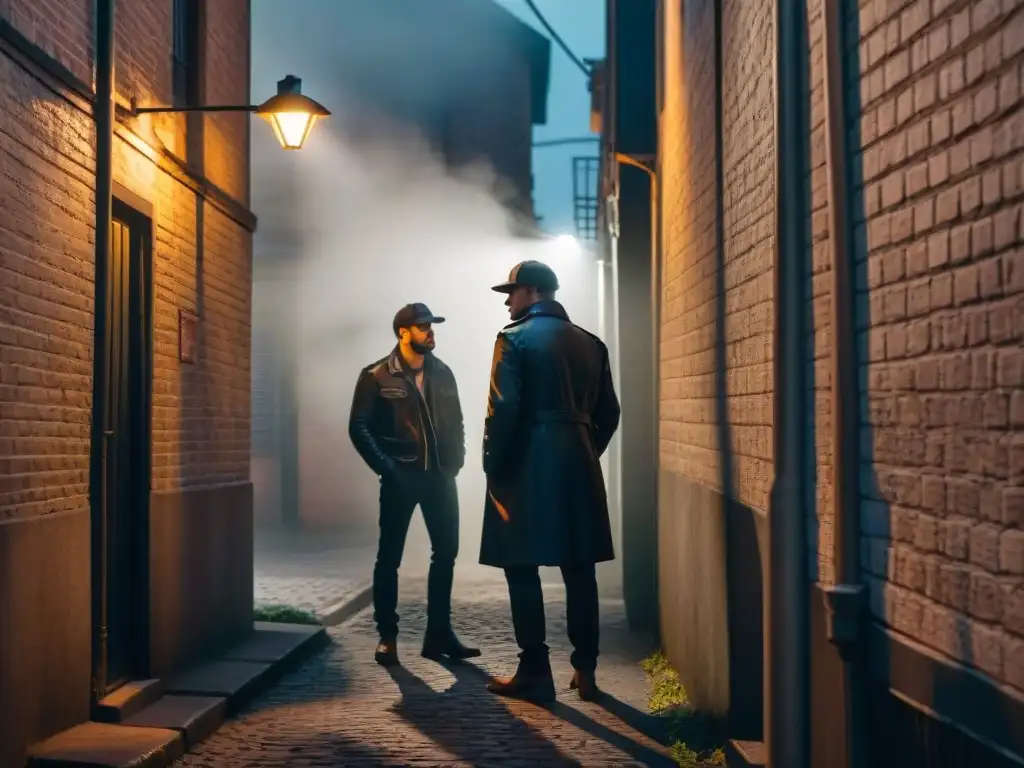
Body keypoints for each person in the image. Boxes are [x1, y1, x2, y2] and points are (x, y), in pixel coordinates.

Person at [480, 260, 620, 703]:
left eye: (512, 291)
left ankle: (535, 671)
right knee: (580, 569)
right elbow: (610, 413)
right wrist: (583, 449)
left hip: (525, 466)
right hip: (578, 463)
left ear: (532, 291)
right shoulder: (591, 344)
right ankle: (586, 670)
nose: (507, 301)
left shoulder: (513, 339)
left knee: (521, 566)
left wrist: (493, 465)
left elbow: (502, 411)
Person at [348, 302, 480, 666]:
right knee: (389, 557)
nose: (431, 332)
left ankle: (439, 634)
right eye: (423, 326)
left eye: (432, 326)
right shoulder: (376, 376)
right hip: (400, 477)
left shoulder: (443, 373)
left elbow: (457, 421)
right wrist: (387, 469)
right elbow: (358, 427)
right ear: (404, 332)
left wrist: (457, 460)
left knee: (446, 554)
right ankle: (387, 637)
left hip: (440, 476)